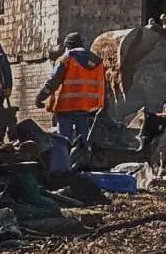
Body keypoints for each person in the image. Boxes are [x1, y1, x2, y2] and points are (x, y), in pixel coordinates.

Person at [35, 32, 112, 160]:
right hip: (88, 108)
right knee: (85, 140)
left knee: (63, 141)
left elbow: (53, 82)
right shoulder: (97, 62)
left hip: (66, 106)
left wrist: (40, 97)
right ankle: (86, 164)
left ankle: (64, 168)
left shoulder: (66, 59)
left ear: (68, 47)